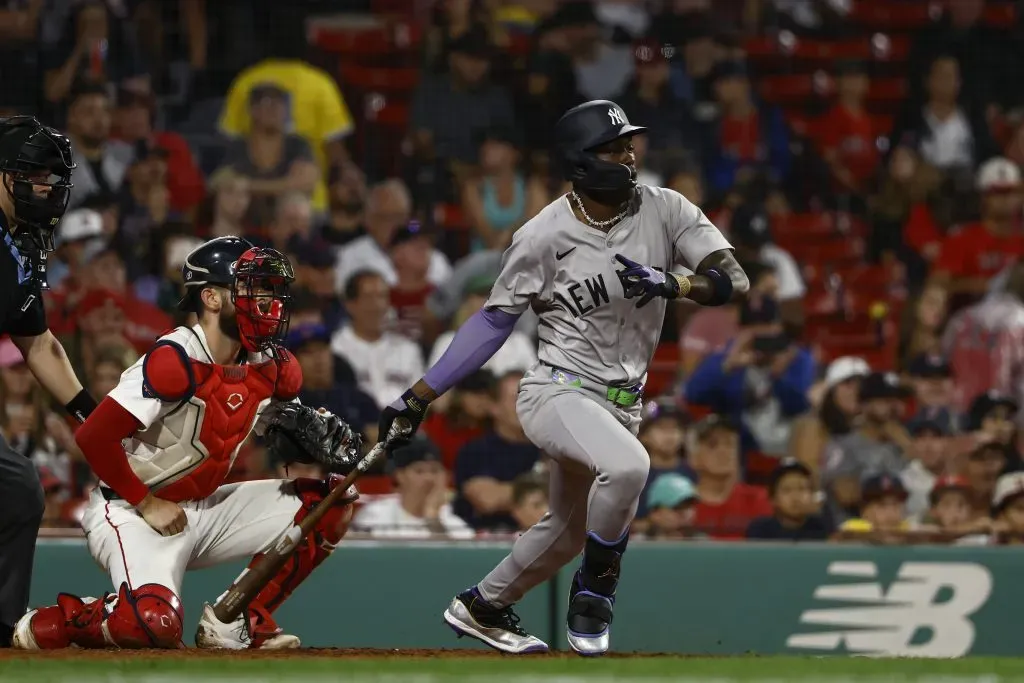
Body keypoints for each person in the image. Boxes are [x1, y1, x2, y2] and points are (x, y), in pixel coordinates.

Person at [378, 99, 748, 655]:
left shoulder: (666, 208)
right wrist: (420, 394)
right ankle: (596, 592)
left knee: (567, 533)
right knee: (628, 467)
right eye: (614, 146)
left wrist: (678, 285)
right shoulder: (543, 234)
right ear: (581, 159)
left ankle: (483, 605)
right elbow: (492, 322)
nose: (629, 154)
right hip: (558, 388)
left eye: (629, 144)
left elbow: (734, 278)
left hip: (623, 401)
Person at [11, 236, 363, 651]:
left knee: (334, 500)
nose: (267, 301)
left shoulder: (270, 365)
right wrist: (145, 502)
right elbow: (94, 436)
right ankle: (67, 619)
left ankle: (236, 619)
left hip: (205, 508)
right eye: (252, 288)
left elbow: (279, 427)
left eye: (269, 289)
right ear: (212, 297)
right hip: (132, 509)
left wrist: (314, 436)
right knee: (152, 626)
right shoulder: (172, 360)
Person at [0, 116, 99, 648]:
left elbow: (37, 342)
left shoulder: (15, 246)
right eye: (30, 173)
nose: (44, 186)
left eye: (50, 177)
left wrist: (90, 412)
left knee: (17, 491)